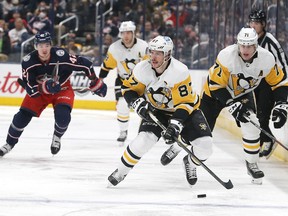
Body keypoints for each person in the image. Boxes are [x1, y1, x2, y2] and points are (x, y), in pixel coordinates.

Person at [161, 28, 288, 184]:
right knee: (199, 134)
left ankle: (250, 163)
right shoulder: (227, 56)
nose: (245, 49)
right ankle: (179, 145)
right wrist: (232, 104)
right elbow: (216, 86)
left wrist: (282, 104)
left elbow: (280, 82)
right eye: (242, 45)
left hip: (241, 93)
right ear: (237, 44)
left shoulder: (267, 59)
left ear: (256, 46)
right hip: (213, 94)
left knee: (252, 124)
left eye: (249, 46)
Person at [107, 35, 213, 187]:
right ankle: (120, 172)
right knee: (143, 141)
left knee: (205, 146)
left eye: (158, 53)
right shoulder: (142, 68)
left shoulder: (179, 71)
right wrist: (138, 103)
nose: (153, 56)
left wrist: (175, 126)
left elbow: (185, 103)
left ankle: (190, 163)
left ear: (168, 54)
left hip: (186, 111)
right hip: (157, 111)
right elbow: (128, 89)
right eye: (151, 52)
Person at [0, 31, 107, 157]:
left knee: (63, 117)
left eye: (46, 45)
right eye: (40, 45)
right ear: (35, 46)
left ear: (51, 45)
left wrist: (94, 80)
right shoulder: (28, 62)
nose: (44, 49)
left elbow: (86, 64)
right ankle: (9, 144)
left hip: (62, 88)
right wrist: (45, 87)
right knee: (20, 118)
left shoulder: (61, 56)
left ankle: (57, 137)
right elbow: (31, 90)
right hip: (40, 92)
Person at [98, 21, 149, 146]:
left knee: (147, 108)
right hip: (123, 81)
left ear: (134, 33)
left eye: (128, 33)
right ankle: (123, 131)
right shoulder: (114, 48)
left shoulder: (143, 46)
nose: (126, 36)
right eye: (123, 33)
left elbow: (150, 66)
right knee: (121, 105)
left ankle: (143, 133)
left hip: (141, 82)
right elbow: (107, 66)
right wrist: (99, 79)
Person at [248, 9, 288, 158]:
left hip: (271, 83)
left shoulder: (270, 41)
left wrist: (282, 88)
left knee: (262, 116)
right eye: (251, 21)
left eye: (257, 22)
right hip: (256, 83)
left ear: (263, 24)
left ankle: (268, 140)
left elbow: (283, 63)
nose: (253, 25)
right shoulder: (248, 40)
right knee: (254, 115)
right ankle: (262, 140)